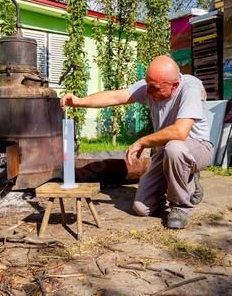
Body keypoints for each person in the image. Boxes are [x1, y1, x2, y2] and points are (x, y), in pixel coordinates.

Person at [60, 55, 214, 228]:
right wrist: (80, 102)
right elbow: (114, 97)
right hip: (167, 153)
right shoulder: (150, 86)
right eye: (147, 84)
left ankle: (180, 207)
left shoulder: (191, 88)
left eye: (153, 88)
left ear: (175, 85)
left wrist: (142, 141)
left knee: (175, 148)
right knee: (142, 208)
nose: (147, 92)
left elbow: (180, 132)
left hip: (197, 147)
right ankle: (185, 180)